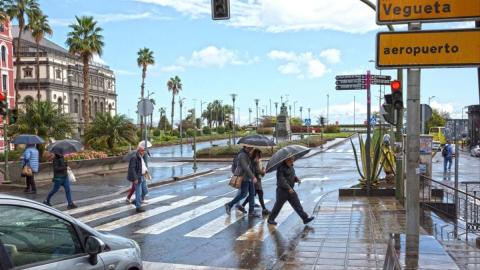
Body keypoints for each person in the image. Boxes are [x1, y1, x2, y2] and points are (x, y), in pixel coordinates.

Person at [267, 158, 314, 226]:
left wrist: (296, 179)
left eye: (293, 159)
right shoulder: (281, 168)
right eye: (291, 160)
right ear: (286, 160)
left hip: (290, 190)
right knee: (278, 206)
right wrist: (288, 188)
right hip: (282, 191)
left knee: (297, 204)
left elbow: (291, 176)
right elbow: (281, 180)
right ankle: (270, 219)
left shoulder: (291, 166)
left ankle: (305, 218)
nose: (292, 161)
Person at [225, 146, 260, 218]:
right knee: (244, 194)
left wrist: (256, 161)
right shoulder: (242, 155)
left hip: (249, 177)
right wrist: (253, 177)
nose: (251, 148)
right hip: (244, 177)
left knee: (252, 194)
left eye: (252, 147)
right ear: (245, 147)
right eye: (250, 147)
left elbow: (251, 166)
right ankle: (229, 204)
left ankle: (251, 211)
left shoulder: (248, 154)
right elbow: (245, 167)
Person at [238, 149, 270, 215]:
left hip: (258, 179)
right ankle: (264, 209)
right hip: (255, 179)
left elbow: (261, 168)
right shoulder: (255, 161)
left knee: (253, 194)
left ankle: (242, 206)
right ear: (257, 154)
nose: (261, 155)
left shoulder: (258, 160)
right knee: (260, 193)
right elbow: (257, 170)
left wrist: (263, 169)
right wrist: (263, 171)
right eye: (260, 154)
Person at [127, 146, 149, 213]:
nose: (144, 152)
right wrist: (135, 178)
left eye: (144, 150)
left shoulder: (141, 157)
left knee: (145, 191)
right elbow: (132, 169)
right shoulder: (134, 158)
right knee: (138, 193)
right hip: (138, 177)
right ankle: (138, 207)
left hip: (143, 176)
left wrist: (147, 173)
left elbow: (143, 166)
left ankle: (136, 201)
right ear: (139, 151)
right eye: (142, 150)